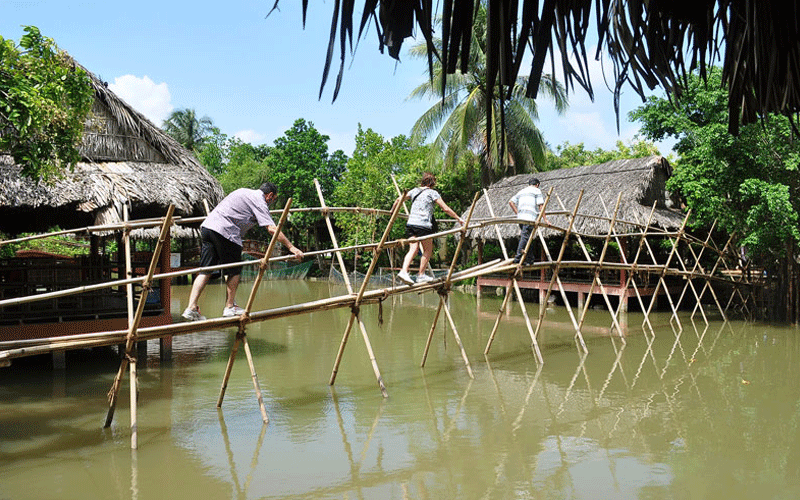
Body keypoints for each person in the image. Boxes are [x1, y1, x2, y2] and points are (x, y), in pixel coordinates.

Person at [182, 182, 303, 321]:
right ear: (270, 196)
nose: (272, 202)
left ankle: (191, 308)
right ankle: (229, 307)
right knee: (234, 270)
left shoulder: (244, 191)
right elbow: (272, 229)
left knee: (205, 270)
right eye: (274, 199)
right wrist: (291, 247)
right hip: (225, 231)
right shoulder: (259, 201)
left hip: (208, 228)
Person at [392, 172, 464, 285]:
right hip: (424, 226)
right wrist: (458, 218)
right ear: (432, 183)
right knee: (428, 250)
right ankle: (421, 275)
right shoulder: (432, 193)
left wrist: (392, 212)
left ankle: (404, 271)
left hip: (411, 225)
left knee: (413, 249)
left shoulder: (414, 191)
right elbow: (445, 208)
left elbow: (398, 200)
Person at [508, 177, 546, 265]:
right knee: (525, 237)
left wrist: (518, 213)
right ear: (537, 185)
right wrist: (545, 219)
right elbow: (541, 206)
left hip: (521, 218)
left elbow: (511, 202)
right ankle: (517, 258)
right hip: (530, 218)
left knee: (528, 238)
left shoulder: (522, 191)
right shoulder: (537, 191)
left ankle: (529, 259)